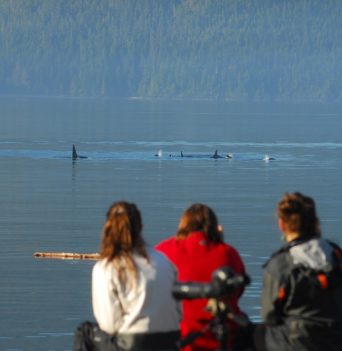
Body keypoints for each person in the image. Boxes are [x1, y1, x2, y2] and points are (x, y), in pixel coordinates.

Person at [74, 201, 181, 351]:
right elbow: (179, 312)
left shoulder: (107, 267)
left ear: (107, 228)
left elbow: (109, 324)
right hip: (170, 342)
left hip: (132, 345)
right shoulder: (164, 260)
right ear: (140, 227)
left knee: (84, 332)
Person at [254, 192, 342, 351]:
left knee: (258, 333)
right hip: (335, 338)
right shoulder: (336, 255)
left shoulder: (279, 265)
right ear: (315, 222)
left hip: (296, 342)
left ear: (281, 224)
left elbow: (269, 315)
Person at [155, 203, 247, 351]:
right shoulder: (228, 252)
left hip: (178, 339)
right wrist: (221, 243)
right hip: (221, 340)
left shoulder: (164, 250)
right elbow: (237, 291)